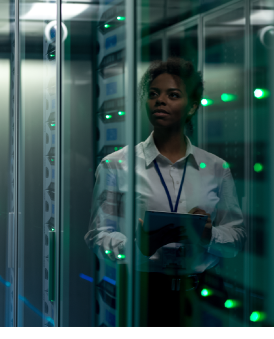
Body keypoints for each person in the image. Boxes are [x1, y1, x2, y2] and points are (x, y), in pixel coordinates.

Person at [85, 58, 245, 326]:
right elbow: (96, 236)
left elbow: (237, 239)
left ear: (192, 106)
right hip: (142, 293)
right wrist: (135, 248)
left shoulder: (216, 168)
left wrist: (209, 236)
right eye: (153, 94)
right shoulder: (116, 165)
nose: (160, 101)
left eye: (173, 95)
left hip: (204, 296)